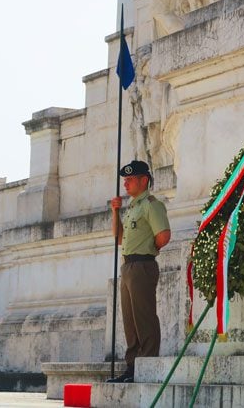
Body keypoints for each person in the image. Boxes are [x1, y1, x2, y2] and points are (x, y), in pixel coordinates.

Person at [107, 160, 172, 383]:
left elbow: (163, 235)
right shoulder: (133, 207)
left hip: (142, 264)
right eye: (124, 180)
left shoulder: (151, 205)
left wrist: (148, 249)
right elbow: (119, 238)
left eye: (130, 179)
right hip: (128, 266)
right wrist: (115, 211)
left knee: (144, 317)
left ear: (144, 180)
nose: (125, 184)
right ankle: (133, 367)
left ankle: (148, 364)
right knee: (130, 321)